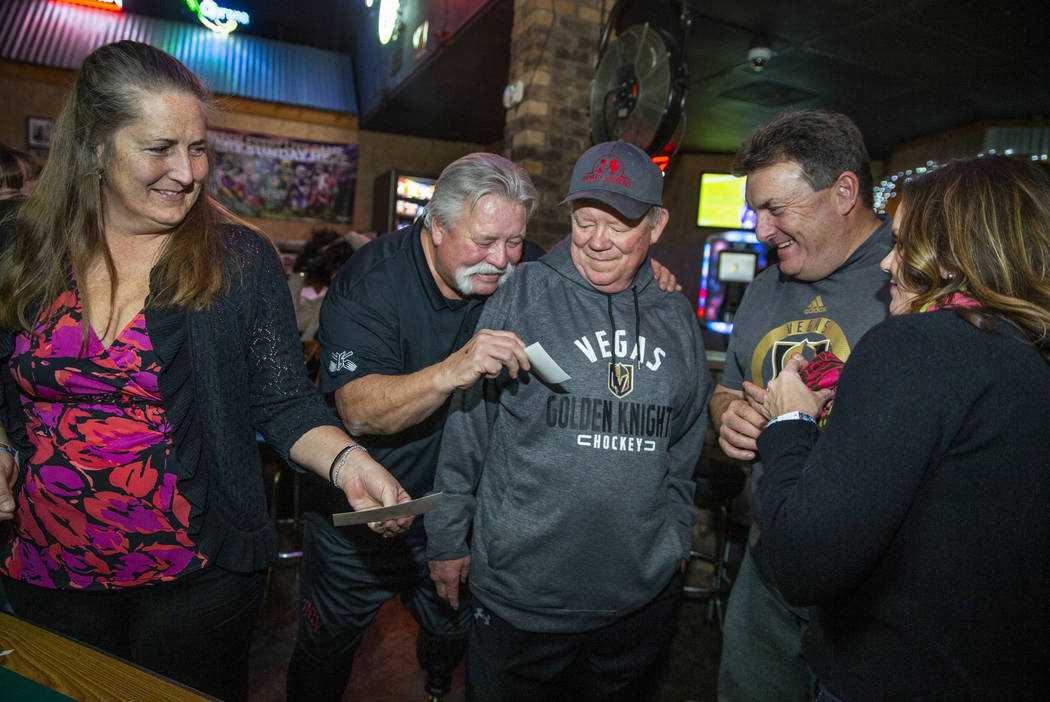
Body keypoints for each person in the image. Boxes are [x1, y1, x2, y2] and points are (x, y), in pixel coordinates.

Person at [0, 41, 409, 702]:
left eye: (197, 148)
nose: (187, 172)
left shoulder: (238, 259)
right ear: (96, 146)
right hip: (46, 568)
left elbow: (282, 402)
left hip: (195, 577)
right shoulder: (17, 243)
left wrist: (350, 464)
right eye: (159, 147)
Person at [288, 150, 683, 701]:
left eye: (515, 242)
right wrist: (453, 370)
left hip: (449, 511)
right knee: (326, 645)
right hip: (366, 508)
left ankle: (432, 682)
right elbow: (358, 410)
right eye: (484, 242)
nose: (501, 260)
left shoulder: (517, 268)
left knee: (449, 632)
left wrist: (647, 271)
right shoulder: (371, 281)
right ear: (436, 224)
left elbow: (587, 258)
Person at [751, 155, 1050, 700]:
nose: (887, 264)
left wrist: (790, 420)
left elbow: (801, 562)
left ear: (958, 255)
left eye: (905, 245)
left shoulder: (916, 344)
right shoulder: (1025, 352)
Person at [425, 139, 711, 702]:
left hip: (638, 602)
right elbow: (469, 427)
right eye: (584, 222)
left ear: (656, 225)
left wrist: (676, 539)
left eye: (619, 225)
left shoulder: (676, 315)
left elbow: (686, 440)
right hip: (522, 600)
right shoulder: (522, 292)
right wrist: (446, 537)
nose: (598, 241)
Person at [710, 109, 893, 702]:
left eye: (776, 210)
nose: (761, 231)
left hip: (875, 590)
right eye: (755, 210)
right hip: (769, 570)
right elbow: (728, 386)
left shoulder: (915, 278)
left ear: (844, 192)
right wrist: (726, 415)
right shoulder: (766, 288)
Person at [288, 227, 355, 342]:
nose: (337, 273)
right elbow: (292, 322)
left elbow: (375, 254)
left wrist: (350, 237)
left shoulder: (343, 300)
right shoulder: (299, 284)